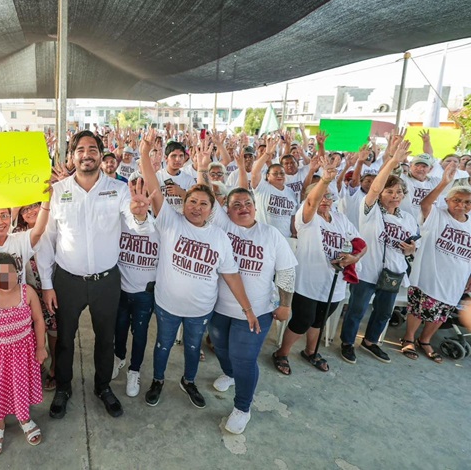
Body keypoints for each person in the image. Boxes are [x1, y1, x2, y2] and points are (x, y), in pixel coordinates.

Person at [134, 129, 257, 409]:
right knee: (163, 345)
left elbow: (231, 275)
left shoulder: (219, 237)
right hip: (167, 305)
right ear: (183, 203)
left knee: (192, 348)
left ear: (212, 209)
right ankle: (158, 380)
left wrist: (248, 309)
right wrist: (144, 152)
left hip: (200, 310)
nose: (197, 207)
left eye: (203, 203)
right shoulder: (170, 221)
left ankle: (188, 381)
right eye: (192, 201)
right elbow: (153, 183)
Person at [37, 131, 148, 420]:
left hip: (106, 282)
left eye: (92, 149)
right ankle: (63, 388)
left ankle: (103, 387)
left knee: (106, 338)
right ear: (72, 157)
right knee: (64, 339)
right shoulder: (57, 191)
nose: (86, 154)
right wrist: (47, 285)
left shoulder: (119, 189)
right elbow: (47, 240)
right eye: (80, 150)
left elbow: (136, 225)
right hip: (67, 281)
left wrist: (140, 214)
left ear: (101, 154)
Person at [209, 188, 297, 434]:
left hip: (256, 311)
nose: (243, 208)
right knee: (221, 349)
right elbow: (207, 195)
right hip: (219, 308)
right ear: (227, 210)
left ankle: (242, 407)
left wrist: (285, 304)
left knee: (244, 360)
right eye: (236, 205)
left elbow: (286, 270)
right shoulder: (223, 227)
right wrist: (203, 170)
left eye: (248, 203)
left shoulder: (271, 234)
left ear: (256, 208)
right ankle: (229, 374)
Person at [272, 165, 365, 375]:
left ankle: (310, 351)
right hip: (307, 282)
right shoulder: (307, 217)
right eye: (321, 195)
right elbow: (312, 202)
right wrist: (324, 180)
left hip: (334, 282)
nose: (325, 199)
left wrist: (354, 257)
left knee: (319, 321)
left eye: (329, 196)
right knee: (302, 321)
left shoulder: (341, 219)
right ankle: (281, 353)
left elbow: (360, 243)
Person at [339, 138, 416, 364]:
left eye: (399, 192)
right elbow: (373, 187)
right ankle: (347, 342)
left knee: (383, 313)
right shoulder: (370, 209)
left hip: (393, 273)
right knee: (357, 310)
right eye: (389, 191)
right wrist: (392, 161)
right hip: (367, 271)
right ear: (381, 193)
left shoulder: (408, 219)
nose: (395, 195)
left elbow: (412, 246)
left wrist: (411, 249)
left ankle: (371, 341)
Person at [0, 253, 46, 457]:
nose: (7, 279)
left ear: (17, 273)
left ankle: (24, 417)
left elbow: (38, 320)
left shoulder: (28, 292)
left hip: (23, 354)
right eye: (0, 275)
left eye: (11, 273)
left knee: (21, 386)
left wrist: (41, 347)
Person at [401, 163, 471, 363]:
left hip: (456, 279)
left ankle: (425, 340)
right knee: (418, 309)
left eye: (467, 202)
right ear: (447, 200)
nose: (461, 205)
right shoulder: (438, 214)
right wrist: (443, 183)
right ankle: (408, 338)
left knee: (442, 312)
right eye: (456, 200)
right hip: (430, 273)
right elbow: (425, 204)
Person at [112, 172, 159, 398]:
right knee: (119, 329)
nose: (138, 196)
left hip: (145, 293)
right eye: (133, 190)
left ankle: (134, 370)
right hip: (121, 289)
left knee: (140, 333)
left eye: (143, 191)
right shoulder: (119, 219)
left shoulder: (161, 223)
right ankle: (118, 357)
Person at [14, 202, 58, 390]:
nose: (31, 211)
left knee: (54, 330)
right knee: (32, 332)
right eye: (25, 209)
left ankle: (55, 367)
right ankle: (37, 367)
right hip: (27, 294)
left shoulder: (53, 226)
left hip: (52, 289)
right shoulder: (16, 233)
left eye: (34, 206)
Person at [248, 138, 298, 238]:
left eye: (282, 173)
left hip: (284, 239)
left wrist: (294, 233)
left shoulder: (290, 192)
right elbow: (254, 172)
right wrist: (267, 154)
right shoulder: (262, 187)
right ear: (267, 176)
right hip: (262, 236)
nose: (279, 175)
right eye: (275, 173)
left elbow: (292, 216)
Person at [156, 141, 196, 213]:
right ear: (166, 158)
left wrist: (181, 192)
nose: (178, 159)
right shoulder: (158, 177)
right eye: (174, 156)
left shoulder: (189, 180)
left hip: (182, 218)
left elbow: (195, 202)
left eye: (181, 156)